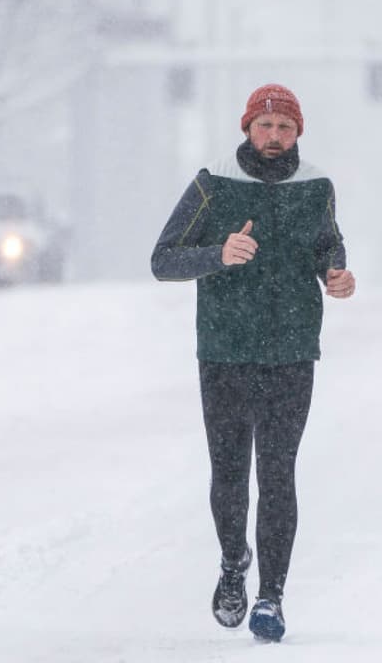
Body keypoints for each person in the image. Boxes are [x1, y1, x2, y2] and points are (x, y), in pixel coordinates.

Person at [150, 83, 355, 642]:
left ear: (297, 132)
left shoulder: (316, 186)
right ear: (247, 128)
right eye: (265, 126)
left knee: (278, 473)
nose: (274, 136)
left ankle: (271, 598)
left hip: (292, 352)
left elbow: (327, 245)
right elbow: (163, 260)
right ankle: (232, 563)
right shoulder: (213, 183)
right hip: (225, 352)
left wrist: (336, 274)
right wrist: (218, 254)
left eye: (285, 127)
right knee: (230, 473)